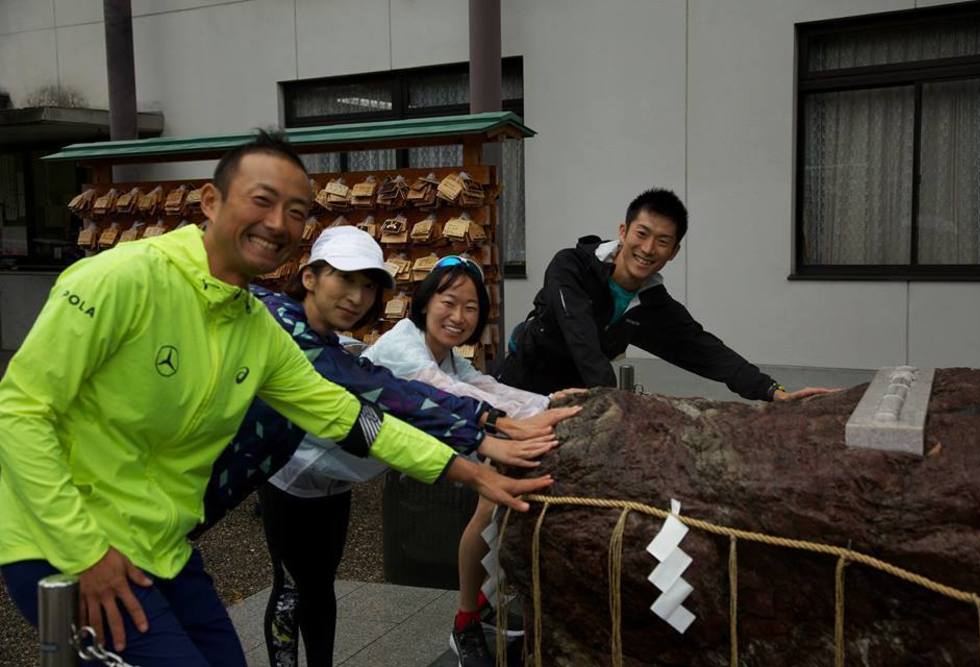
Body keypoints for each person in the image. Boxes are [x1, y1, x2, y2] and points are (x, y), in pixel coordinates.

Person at [0, 131, 551, 667]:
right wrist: (86, 552)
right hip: (68, 545)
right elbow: (19, 412)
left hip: (163, 546)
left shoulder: (256, 324)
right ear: (211, 201)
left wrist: (474, 473)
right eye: (262, 200)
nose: (277, 223)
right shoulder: (121, 278)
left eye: (296, 211)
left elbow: (350, 416)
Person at [196, 225, 577, 667]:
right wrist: (496, 427)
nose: (357, 296)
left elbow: (472, 388)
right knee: (292, 588)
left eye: (367, 285)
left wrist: (542, 407)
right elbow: (400, 396)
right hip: (291, 476)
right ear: (309, 277)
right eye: (345, 279)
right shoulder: (293, 328)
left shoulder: (356, 346)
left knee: (319, 585)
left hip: (333, 480)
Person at [363, 256, 563, 667]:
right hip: (310, 472)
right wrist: (529, 417)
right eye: (449, 301)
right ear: (424, 300)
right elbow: (451, 395)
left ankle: (476, 607)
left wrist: (550, 403)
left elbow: (482, 384)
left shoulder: (448, 354)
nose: (458, 317)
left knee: (493, 499)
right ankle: (467, 621)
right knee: (305, 594)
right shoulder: (405, 346)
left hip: (368, 460)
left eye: (471, 308)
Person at [497, 187, 835, 401]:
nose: (647, 248)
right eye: (641, 234)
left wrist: (771, 391)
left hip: (576, 401)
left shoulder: (653, 305)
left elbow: (702, 349)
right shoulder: (571, 266)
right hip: (520, 384)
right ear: (623, 231)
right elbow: (579, 332)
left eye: (662, 241)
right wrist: (617, 402)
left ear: (674, 251)